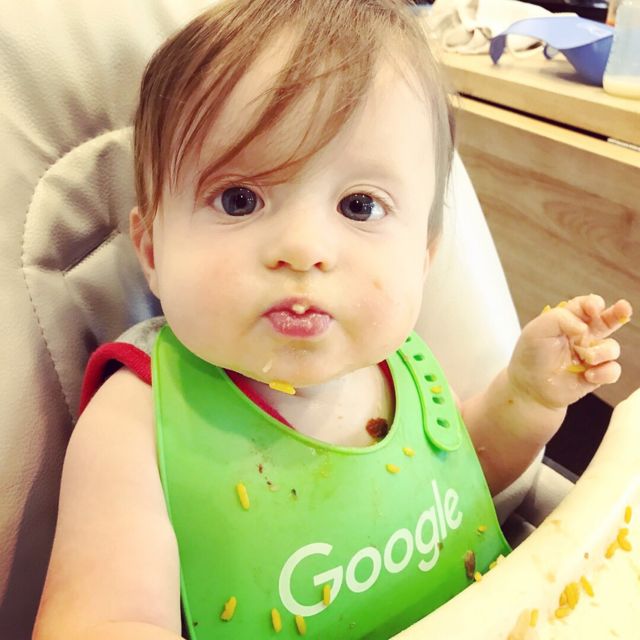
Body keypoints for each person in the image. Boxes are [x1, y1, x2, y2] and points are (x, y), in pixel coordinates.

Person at [33, 0, 633, 639]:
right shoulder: (137, 421)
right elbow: (99, 621)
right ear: (152, 251)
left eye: (359, 205)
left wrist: (526, 397)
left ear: (423, 260)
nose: (303, 248)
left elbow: (463, 487)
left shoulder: (404, 368)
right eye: (239, 199)